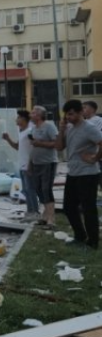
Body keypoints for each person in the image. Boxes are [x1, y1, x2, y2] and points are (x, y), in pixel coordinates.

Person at [55, 99, 102, 249]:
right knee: (69, 207)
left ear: (81, 112)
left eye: (71, 114)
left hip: (88, 173)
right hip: (73, 173)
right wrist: (61, 130)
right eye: (67, 115)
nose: (68, 117)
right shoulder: (68, 127)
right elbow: (59, 147)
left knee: (89, 209)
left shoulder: (89, 127)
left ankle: (93, 242)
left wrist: (95, 158)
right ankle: (80, 235)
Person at [2, 110, 38, 220]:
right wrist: (8, 139)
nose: (16, 120)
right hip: (22, 165)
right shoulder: (21, 131)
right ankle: (29, 211)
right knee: (26, 190)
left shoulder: (30, 131)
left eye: (18, 117)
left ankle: (35, 212)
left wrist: (30, 165)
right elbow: (18, 147)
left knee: (30, 189)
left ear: (24, 119)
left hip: (29, 165)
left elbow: (35, 149)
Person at [29, 105, 59, 227]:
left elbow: (56, 143)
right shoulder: (33, 129)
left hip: (48, 163)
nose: (31, 115)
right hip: (36, 163)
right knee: (38, 189)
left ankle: (51, 218)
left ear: (40, 115)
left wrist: (40, 143)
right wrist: (30, 163)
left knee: (46, 189)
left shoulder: (49, 126)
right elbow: (33, 147)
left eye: (33, 113)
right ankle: (45, 215)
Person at [83, 100, 102, 189]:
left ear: (92, 109)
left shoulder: (97, 120)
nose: (82, 110)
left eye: (85, 107)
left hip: (98, 155)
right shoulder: (85, 121)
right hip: (89, 156)